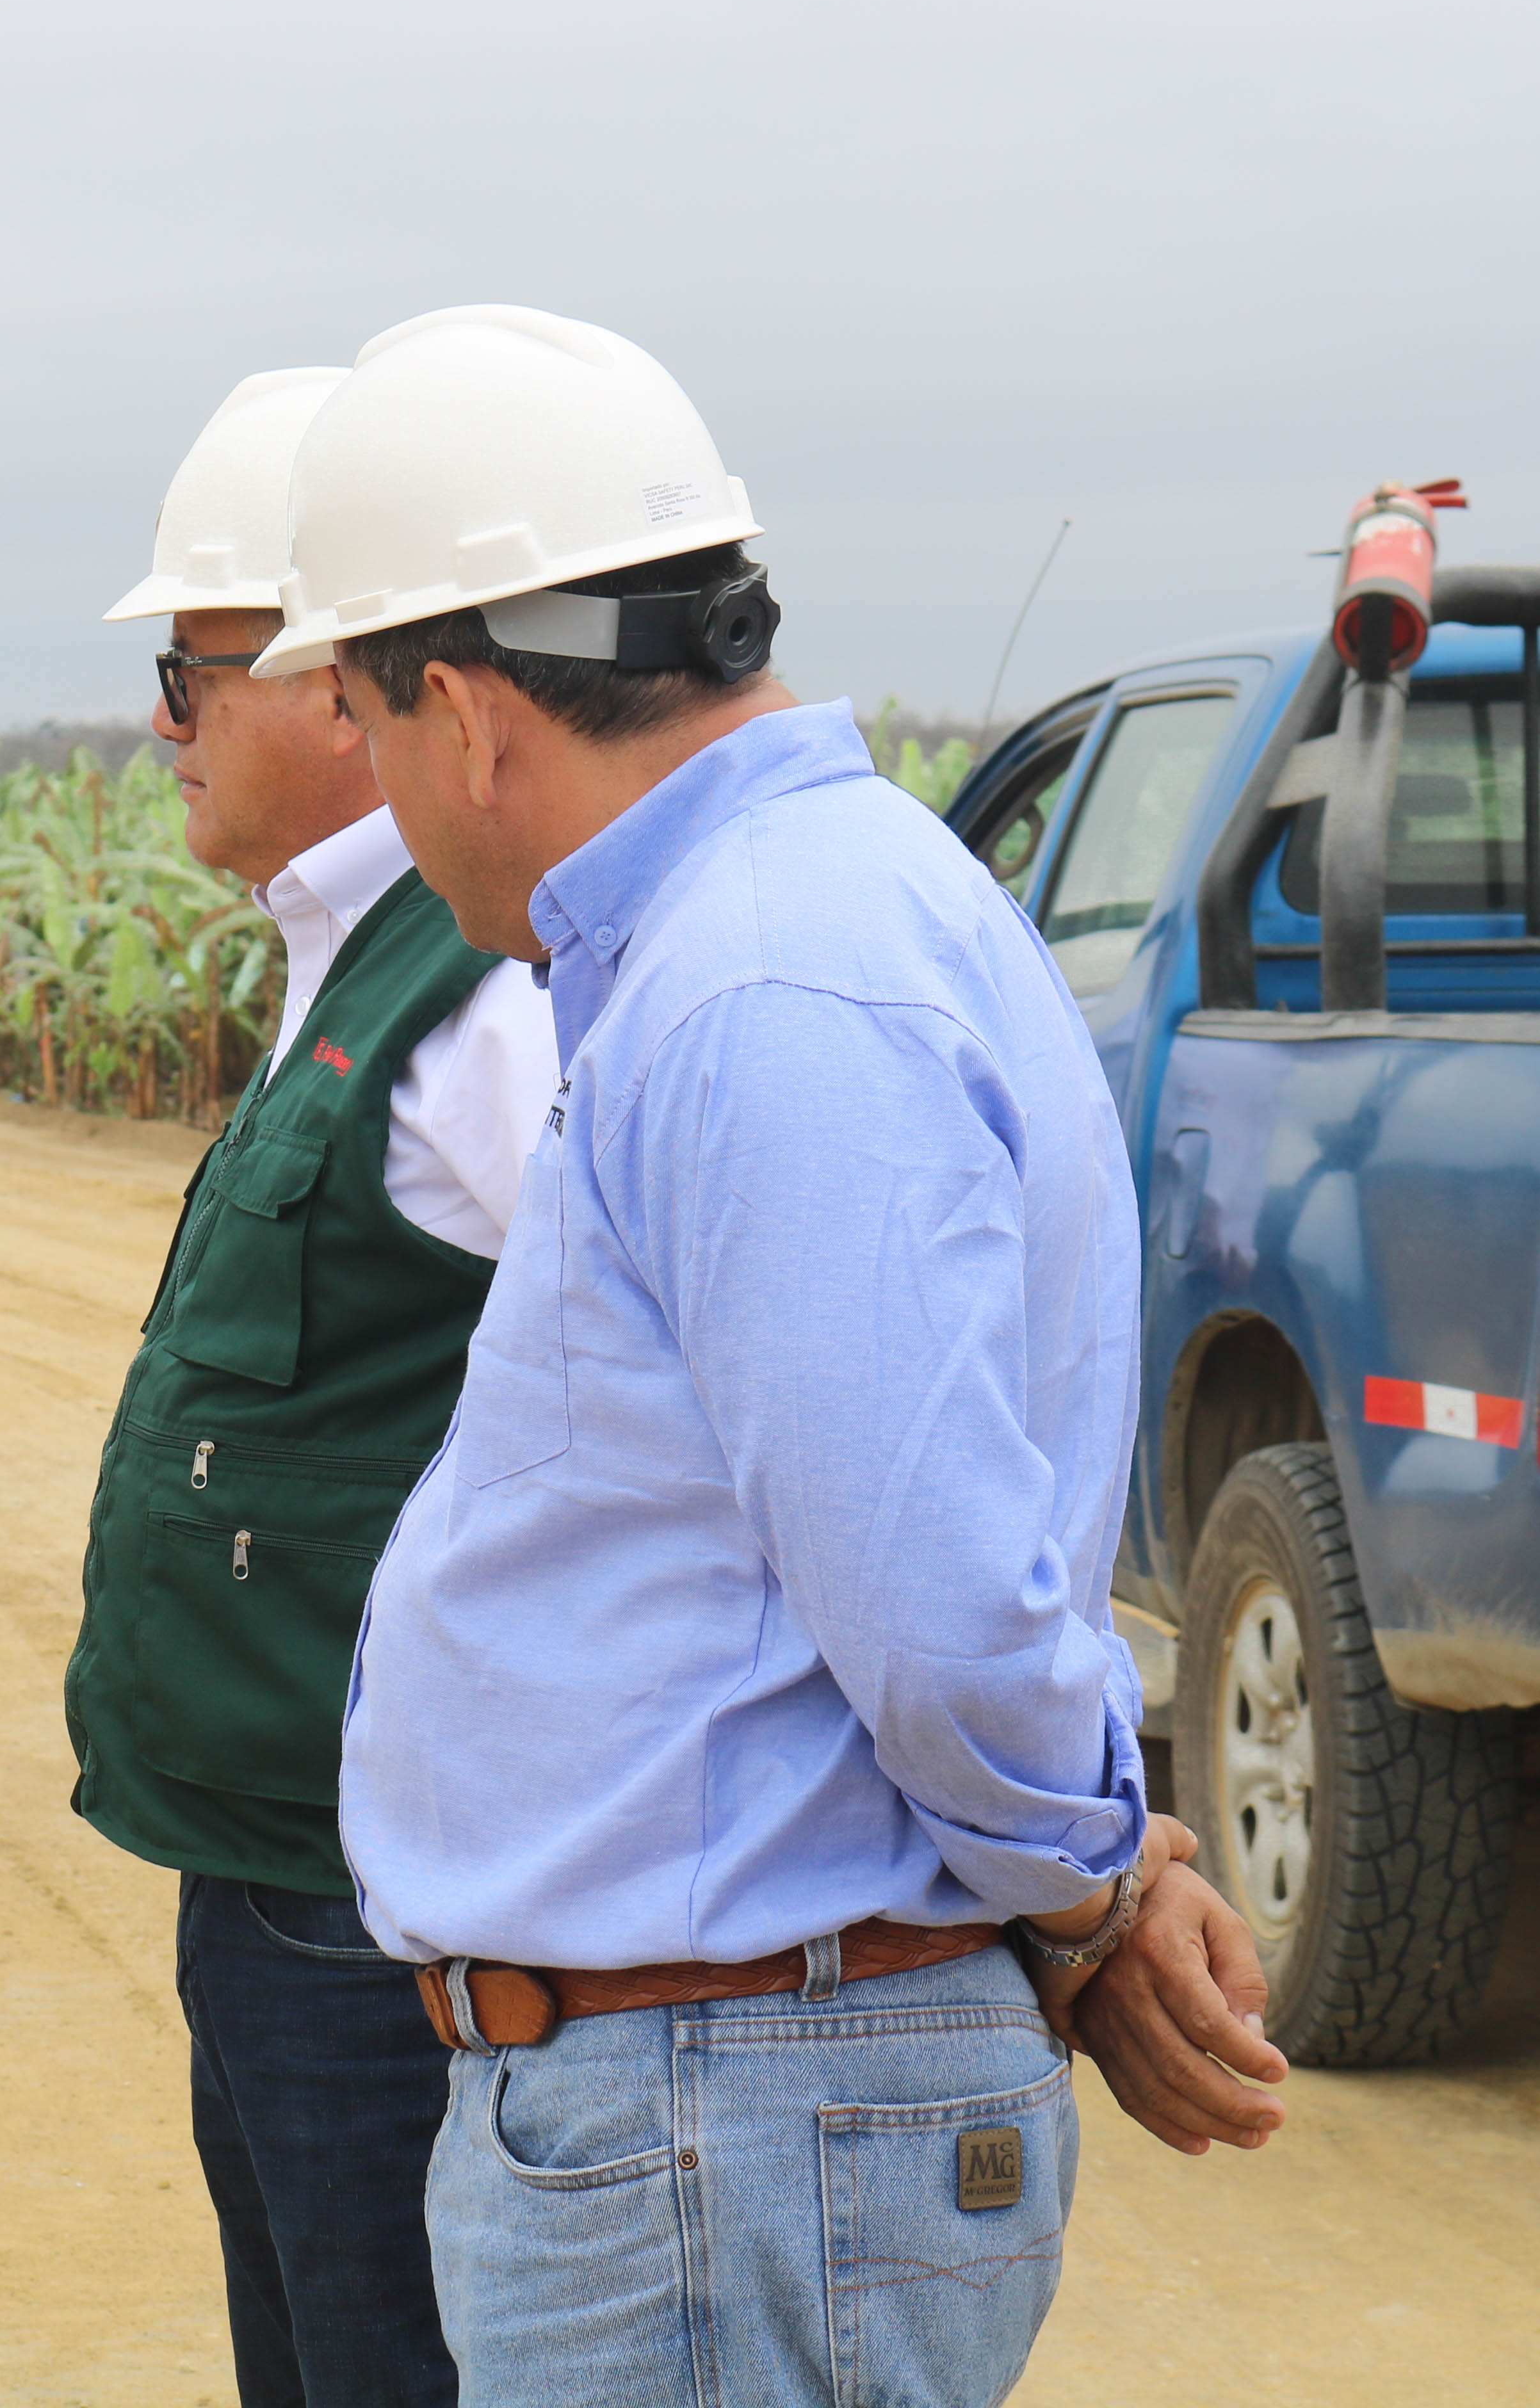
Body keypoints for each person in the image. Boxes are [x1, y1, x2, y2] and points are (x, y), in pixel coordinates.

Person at [266, 306, 1286, 2407]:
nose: (371, 778)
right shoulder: (770, 928)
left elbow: (922, 1589)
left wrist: (1085, 1889)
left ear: (459, 712)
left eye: (358, 719)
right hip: (717, 2108)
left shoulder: (763, 987)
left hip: (721, 2119)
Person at [63, 368, 558, 2408]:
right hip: (275, 1866)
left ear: (335, 687)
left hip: (384, 1909)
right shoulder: (339, 960)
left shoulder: (483, 1003)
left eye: (184, 681)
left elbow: (683, 1396)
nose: (155, 732)